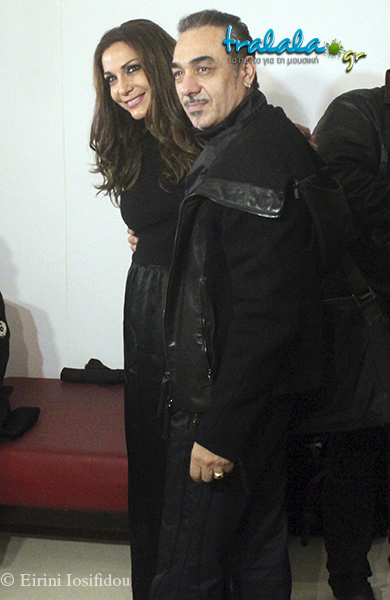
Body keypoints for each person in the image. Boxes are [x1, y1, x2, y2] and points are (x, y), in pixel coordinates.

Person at [148, 9, 346, 600]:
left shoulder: (249, 160)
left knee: (189, 569)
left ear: (247, 70)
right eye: (179, 71)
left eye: (204, 68)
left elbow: (267, 317)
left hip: (224, 403)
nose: (187, 86)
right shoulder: (266, 137)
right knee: (256, 554)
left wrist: (219, 432)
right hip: (258, 399)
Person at [90, 20, 202, 600]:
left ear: (160, 64)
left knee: (191, 452)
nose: (122, 87)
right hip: (146, 306)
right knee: (151, 452)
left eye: (132, 69)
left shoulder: (206, 133)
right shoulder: (132, 141)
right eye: (111, 78)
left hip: (195, 307)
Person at [312, 70, 390, 600]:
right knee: (357, 452)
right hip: (366, 316)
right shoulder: (358, 111)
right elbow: (343, 188)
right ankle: (349, 578)